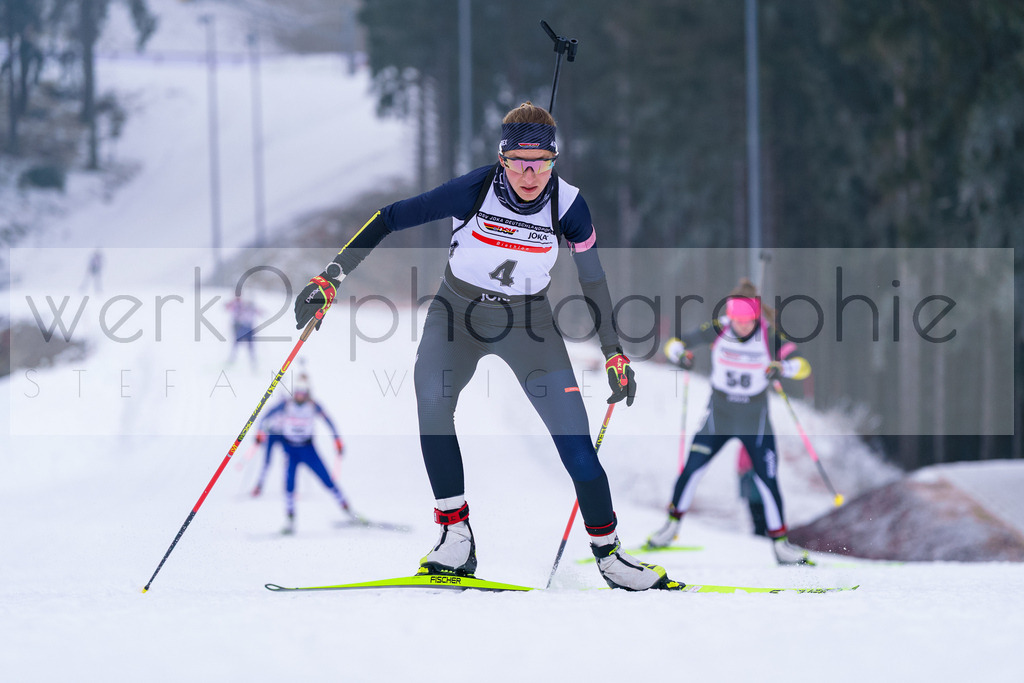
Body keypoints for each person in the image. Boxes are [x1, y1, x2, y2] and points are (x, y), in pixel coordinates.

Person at [292, 102, 679, 591]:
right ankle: (456, 537)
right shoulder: (473, 189)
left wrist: (614, 352)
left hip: (527, 322)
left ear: (555, 160)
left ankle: (611, 556)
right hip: (458, 313)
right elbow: (388, 218)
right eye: (519, 161)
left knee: (576, 446)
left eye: (541, 162)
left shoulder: (569, 205)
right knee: (431, 402)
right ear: (502, 158)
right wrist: (332, 277)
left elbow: (594, 280)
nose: (530, 173)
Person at [646, 277, 814, 565]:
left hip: (754, 418)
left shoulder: (769, 336)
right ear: (730, 315)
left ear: (756, 316)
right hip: (720, 415)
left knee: (767, 480)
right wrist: (681, 356)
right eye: (738, 320)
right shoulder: (719, 329)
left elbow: (802, 366)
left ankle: (781, 545)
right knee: (692, 470)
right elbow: (674, 344)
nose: (742, 326)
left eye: (748, 320)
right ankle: (669, 529)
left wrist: (781, 367)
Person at [255, 375, 354, 534]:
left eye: (303, 393)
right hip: (290, 450)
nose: (300, 396)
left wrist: (337, 440)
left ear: (308, 393)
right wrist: (259, 432)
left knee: (327, 480)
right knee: (289, 485)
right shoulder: (286, 404)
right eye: (297, 392)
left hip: (308, 450)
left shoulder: (313, 405)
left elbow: (329, 422)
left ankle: (348, 511)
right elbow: (266, 415)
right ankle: (290, 520)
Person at [736, 444, 768, 537]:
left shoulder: (753, 446)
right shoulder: (745, 446)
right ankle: (759, 531)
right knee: (756, 509)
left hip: (754, 484)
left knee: (758, 510)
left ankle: (760, 531)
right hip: (751, 486)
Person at [226, 294, 261, 369]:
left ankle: (253, 363)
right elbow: (229, 307)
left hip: (248, 329)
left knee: (249, 346)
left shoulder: (250, 308)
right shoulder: (242, 307)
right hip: (242, 328)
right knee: (237, 344)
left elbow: (259, 312)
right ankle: (232, 359)